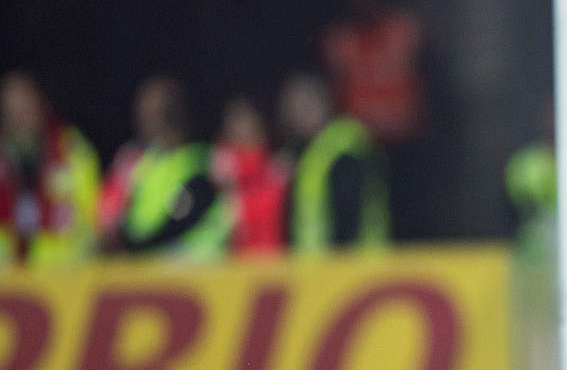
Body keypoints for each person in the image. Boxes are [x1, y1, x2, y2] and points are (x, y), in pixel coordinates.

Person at [98, 76, 231, 259]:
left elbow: (183, 220)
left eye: (153, 112)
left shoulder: (206, 161)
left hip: (199, 274)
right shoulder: (136, 163)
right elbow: (109, 223)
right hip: (146, 275)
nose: (143, 117)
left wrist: (136, 247)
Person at [277, 73, 390, 253]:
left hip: (351, 267)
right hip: (319, 271)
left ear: (324, 102)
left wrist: (341, 261)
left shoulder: (345, 145)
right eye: (292, 107)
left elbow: (349, 214)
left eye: (305, 104)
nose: (299, 114)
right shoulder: (310, 153)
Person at [0, 71, 102, 267]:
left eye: (26, 108)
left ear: (41, 104)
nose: (20, 117)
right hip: (6, 277)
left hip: (61, 274)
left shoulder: (71, 148)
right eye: (12, 110)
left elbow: (91, 215)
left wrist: (38, 214)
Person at [213, 96, 289, 255]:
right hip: (240, 253)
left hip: (275, 250)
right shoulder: (225, 162)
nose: (243, 127)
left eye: (246, 119)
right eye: (236, 121)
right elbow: (227, 214)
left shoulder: (276, 162)